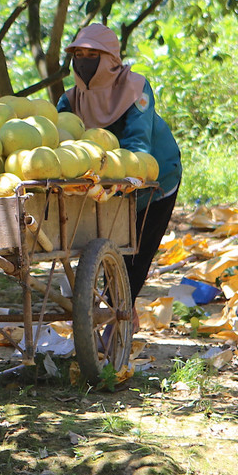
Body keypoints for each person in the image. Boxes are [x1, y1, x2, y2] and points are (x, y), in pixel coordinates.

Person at [57, 23, 181, 302]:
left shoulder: (136, 88)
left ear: (111, 59)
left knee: (133, 257)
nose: (83, 62)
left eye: (92, 55)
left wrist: (114, 178)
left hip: (155, 180)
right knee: (106, 251)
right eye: (78, 54)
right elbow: (59, 144)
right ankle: (114, 315)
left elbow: (139, 146)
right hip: (104, 186)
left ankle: (121, 317)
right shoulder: (70, 99)